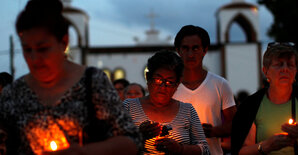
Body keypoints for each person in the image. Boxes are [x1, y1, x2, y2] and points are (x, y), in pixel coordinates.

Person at [0, 0, 141, 154]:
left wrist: (84, 152)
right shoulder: (13, 94)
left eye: (43, 49)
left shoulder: (92, 83)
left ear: (64, 42)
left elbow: (132, 141)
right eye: (27, 50)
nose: (34, 59)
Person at [124, 50, 210, 155]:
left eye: (169, 82)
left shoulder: (187, 110)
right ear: (148, 77)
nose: (163, 87)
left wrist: (180, 149)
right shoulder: (128, 107)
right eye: (158, 80)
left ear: (177, 84)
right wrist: (139, 136)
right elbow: (113, 146)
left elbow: (205, 150)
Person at [231, 42, 298, 155]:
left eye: (290, 65)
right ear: (265, 71)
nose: (285, 69)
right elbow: (240, 151)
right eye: (279, 64)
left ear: (296, 71)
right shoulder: (251, 106)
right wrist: (266, 146)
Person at [172, 25, 237, 155]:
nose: (190, 54)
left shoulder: (220, 84)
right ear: (178, 51)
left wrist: (214, 131)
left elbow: (237, 123)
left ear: (205, 50)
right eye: (185, 48)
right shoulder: (170, 86)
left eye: (195, 48)